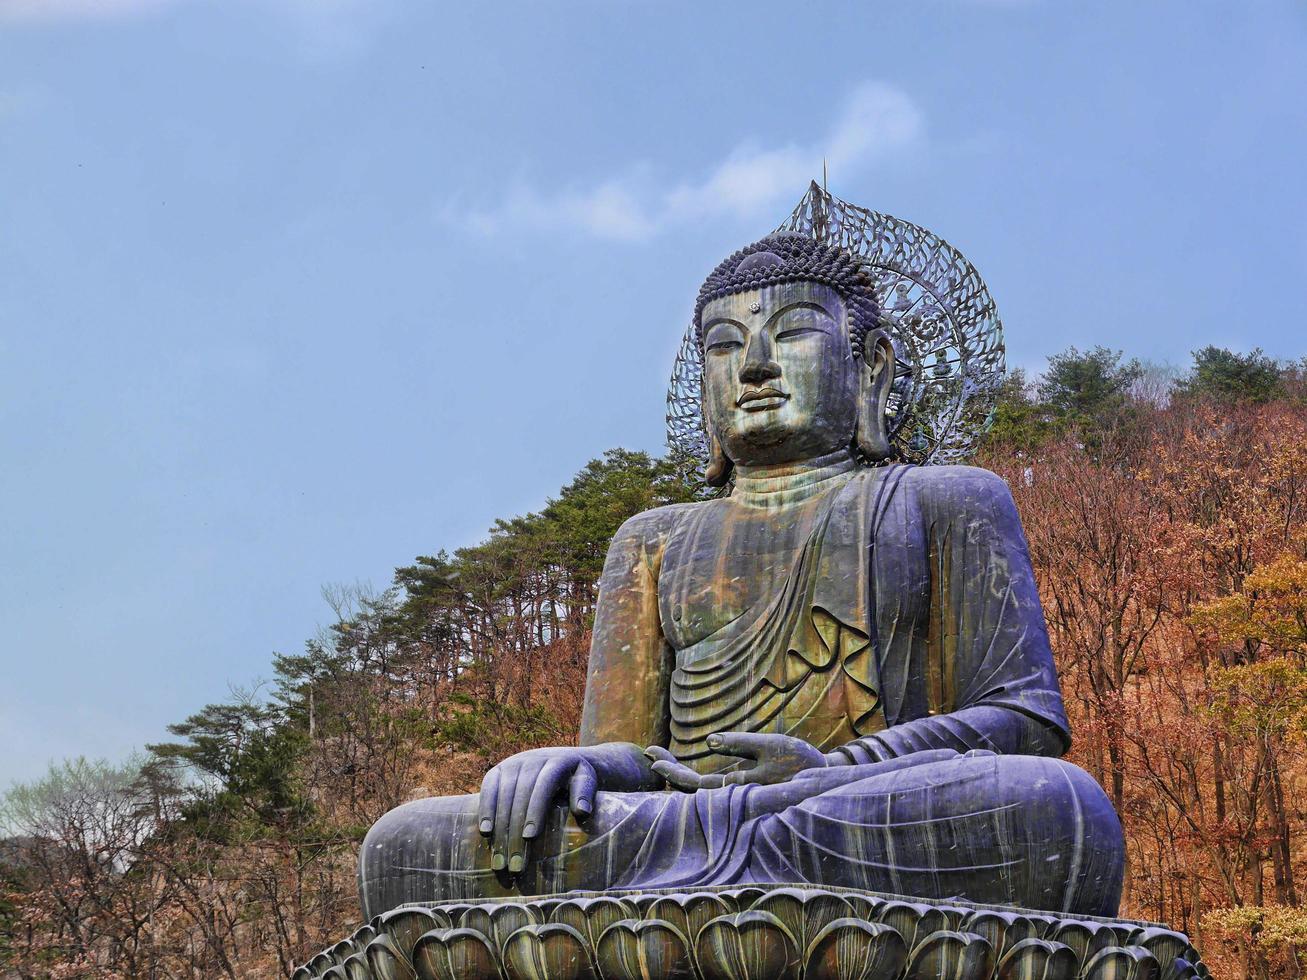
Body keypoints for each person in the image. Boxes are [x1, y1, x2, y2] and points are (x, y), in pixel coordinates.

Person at [358, 233, 1125, 920]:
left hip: (852, 807)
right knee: (403, 846)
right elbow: (628, 766)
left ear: (870, 366)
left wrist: (831, 772)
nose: (754, 365)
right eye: (724, 347)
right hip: (672, 823)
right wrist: (570, 765)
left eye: (789, 333)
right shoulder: (652, 539)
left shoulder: (948, 497)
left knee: (1053, 809)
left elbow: (1023, 718)